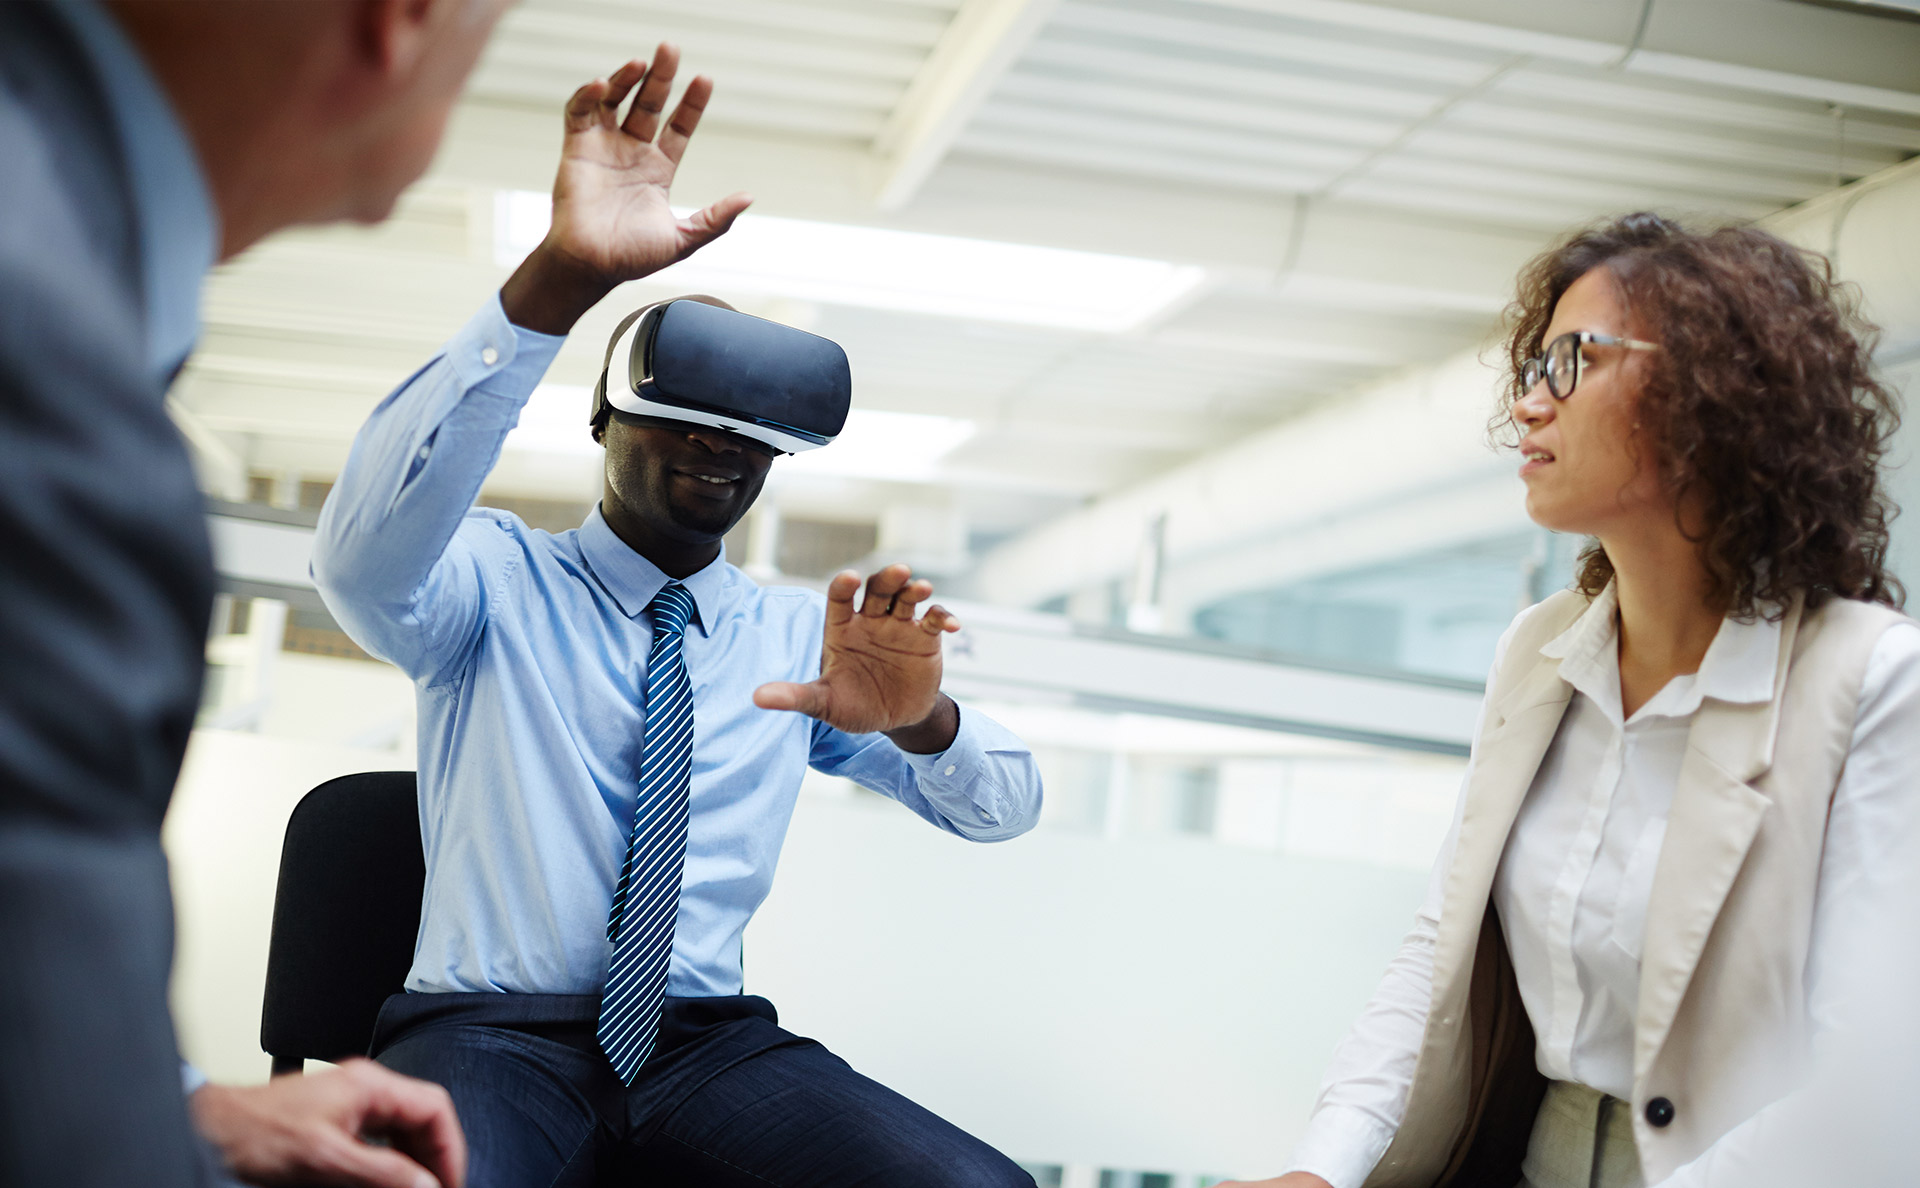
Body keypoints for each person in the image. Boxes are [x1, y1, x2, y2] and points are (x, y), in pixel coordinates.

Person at [307, 43, 1045, 1188]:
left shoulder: (801, 645)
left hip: (710, 1043)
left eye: (748, 429)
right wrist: (557, 278)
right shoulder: (493, 586)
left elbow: (1006, 809)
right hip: (492, 1033)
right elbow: (359, 560)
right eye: (684, 412)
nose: (718, 443)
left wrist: (924, 721)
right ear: (605, 426)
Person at [0, 1, 634, 1184]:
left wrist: (190, 1106)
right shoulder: (52, 386)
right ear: (403, 21)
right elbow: (69, 1141)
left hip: (706, 1047)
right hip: (489, 1034)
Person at [1217, 212, 1920, 1188]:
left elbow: (1871, 1086)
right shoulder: (1538, 652)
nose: (1527, 403)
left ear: (1711, 394)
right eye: (1532, 367)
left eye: (1572, 362)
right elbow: (1440, 948)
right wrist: (1321, 1171)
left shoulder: (1873, 680)